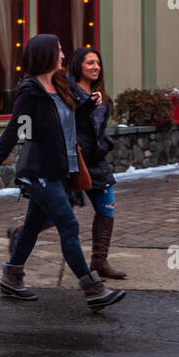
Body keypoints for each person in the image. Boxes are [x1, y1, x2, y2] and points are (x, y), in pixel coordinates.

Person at [0, 33, 126, 311]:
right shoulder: (31, 92)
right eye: (58, 51)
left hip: (60, 168)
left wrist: (87, 107)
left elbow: (67, 122)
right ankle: (93, 289)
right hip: (39, 171)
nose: (63, 56)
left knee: (32, 227)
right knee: (69, 225)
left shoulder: (59, 85)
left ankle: (12, 277)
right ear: (46, 54)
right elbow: (14, 131)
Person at [69, 47, 124, 279]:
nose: (95, 67)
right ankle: (20, 235)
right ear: (78, 66)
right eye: (90, 62)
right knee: (56, 213)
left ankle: (99, 261)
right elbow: (69, 124)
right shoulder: (69, 94)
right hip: (75, 159)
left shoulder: (102, 96)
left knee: (107, 205)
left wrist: (105, 144)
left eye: (98, 63)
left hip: (96, 159)